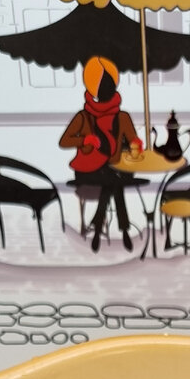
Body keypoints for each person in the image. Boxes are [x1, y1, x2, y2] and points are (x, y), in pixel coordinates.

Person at [60, 56, 142, 252]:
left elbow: (133, 139)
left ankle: (97, 230)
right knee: (114, 184)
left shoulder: (123, 117)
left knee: (111, 183)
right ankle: (124, 230)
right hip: (88, 170)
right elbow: (64, 141)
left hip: (114, 169)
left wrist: (136, 144)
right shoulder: (84, 117)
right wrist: (84, 140)